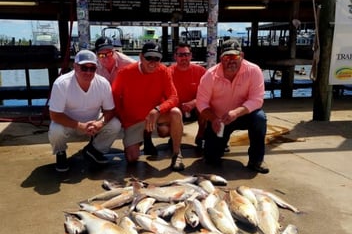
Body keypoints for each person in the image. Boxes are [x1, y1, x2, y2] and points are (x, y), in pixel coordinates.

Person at [196, 39, 269, 174]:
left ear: (242, 56)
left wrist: (235, 113)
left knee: (260, 118)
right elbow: (201, 103)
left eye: (234, 56)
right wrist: (213, 119)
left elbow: (257, 100)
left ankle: (256, 160)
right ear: (221, 58)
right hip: (219, 120)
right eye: (227, 57)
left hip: (243, 115)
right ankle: (222, 142)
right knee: (211, 159)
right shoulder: (209, 75)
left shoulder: (254, 71)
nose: (231, 61)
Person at [111, 42, 185, 171]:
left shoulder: (163, 71)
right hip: (133, 121)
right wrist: (123, 119)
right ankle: (145, 136)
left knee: (176, 113)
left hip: (153, 117)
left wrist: (158, 110)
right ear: (140, 57)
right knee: (131, 158)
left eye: (157, 58)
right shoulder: (125, 73)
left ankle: (176, 154)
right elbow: (114, 98)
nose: (153, 62)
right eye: (149, 57)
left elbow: (174, 98)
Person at [48, 49, 121, 172]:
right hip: (69, 124)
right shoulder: (61, 84)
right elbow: (55, 115)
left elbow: (110, 111)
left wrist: (100, 123)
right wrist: (79, 125)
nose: (88, 72)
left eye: (92, 68)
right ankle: (60, 153)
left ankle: (94, 150)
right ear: (75, 67)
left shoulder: (103, 83)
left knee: (115, 124)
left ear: (96, 68)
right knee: (56, 129)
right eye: (84, 68)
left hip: (94, 124)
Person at [143, 43, 207, 154]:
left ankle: (201, 137)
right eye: (181, 55)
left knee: (206, 109)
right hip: (174, 110)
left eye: (187, 54)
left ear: (191, 56)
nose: (184, 58)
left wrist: (193, 103)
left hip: (194, 109)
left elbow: (208, 94)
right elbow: (161, 97)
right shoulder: (168, 72)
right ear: (175, 57)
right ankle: (167, 138)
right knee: (163, 131)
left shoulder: (201, 71)